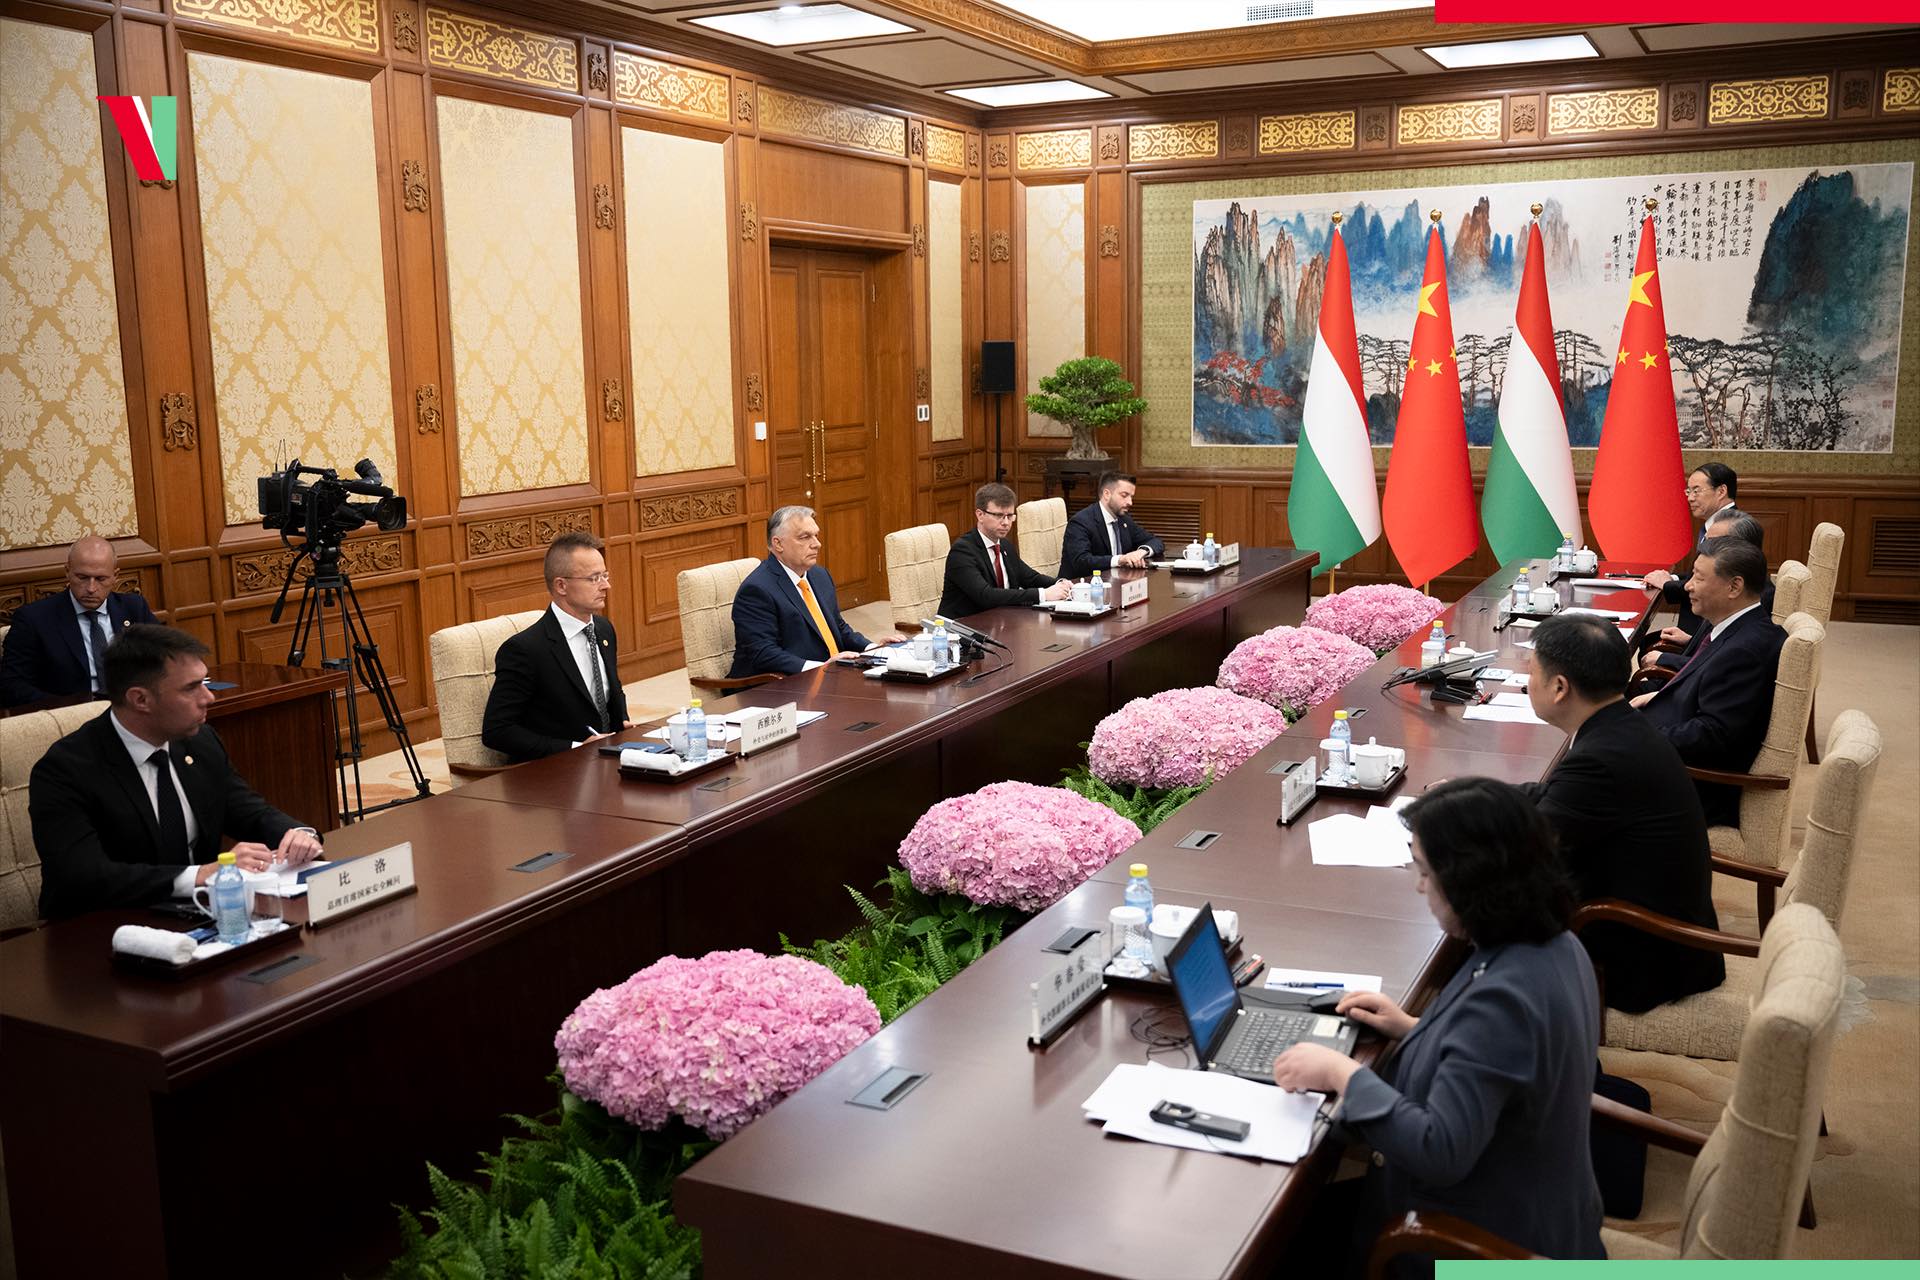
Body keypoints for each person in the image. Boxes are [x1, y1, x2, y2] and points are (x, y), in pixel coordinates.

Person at [1272, 778, 1604, 1264]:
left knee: (1280, 1243)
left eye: (1426, 872)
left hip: (1477, 1248)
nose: (1419, 885)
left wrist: (1342, 1074)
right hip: (1538, 1211)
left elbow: (1440, 1149)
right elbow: (1507, 1063)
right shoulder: (1553, 943)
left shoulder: (1502, 999)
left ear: (1471, 882)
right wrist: (1413, 1027)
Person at [29, 625, 323, 920]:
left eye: (205, 682)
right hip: (99, 929)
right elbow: (84, 877)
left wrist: (298, 833)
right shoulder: (65, 771)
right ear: (140, 699)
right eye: (191, 688)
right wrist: (201, 875)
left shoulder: (200, 741)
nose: (209, 697)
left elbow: (247, 810)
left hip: (198, 917)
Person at [1526, 614, 1724, 1013]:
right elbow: (1555, 797)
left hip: (1640, 958)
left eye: (1531, 673)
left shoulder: (1600, 757)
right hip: (1660, 928)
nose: (1526, 682)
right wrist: (1472, 795)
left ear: (1560, 687)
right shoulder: (1620, 727)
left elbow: (1530, 851)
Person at [1632, 537, 1787, 827]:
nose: (1688, 586)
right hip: (1671, 756)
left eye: (1698, 579)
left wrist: (1635, 735)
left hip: (1690, 788)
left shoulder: (1745, 651)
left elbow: (1714, 736)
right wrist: (1655, 700)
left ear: (1734, 587)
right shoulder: (1738, 628)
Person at [481, 531, 633, 763]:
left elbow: (612, 690)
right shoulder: (525, 650)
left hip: (606, 761)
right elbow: (497, 731)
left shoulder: (603, 630)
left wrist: (621, 722)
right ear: (561, 585)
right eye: (594, 578)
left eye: (605, 575)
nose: (606, 586)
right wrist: (575, 748)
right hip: (554, 774)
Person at [730, 506, 903, 677]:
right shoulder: (757, 590)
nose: (817, 544)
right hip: (777, 686)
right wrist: (821, 667)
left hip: (831, 675)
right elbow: (763, 653)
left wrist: (874, 649)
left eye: (816, 536)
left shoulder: (819, 575)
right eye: (805, 537)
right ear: (778, 543)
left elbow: (838, 627)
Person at [1, 535, 160, 707]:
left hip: (133, 709)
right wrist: (64, 709)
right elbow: (11, 686)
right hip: (72, 715)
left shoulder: (134, 608)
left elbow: (165, 659)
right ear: (67, 572)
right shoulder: (34, 619)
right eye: (82, 578)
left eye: (100, 579)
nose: (91, 588)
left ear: (115, 576)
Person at [1638, 508, 1769, 675]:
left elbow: (1720, 667)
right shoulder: (1730, 602)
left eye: (1713, 543)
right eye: (1705, 541)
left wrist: (1664, 660)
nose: (1688, 586)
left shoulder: (1755, 603)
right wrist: (1693, 640)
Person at [937, 483, 1072, 618]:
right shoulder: (963, 551)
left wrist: (1061, 583)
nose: (1006, 523)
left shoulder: (1005, 546)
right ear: (980, 515)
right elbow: (986, 595)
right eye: (999, 515)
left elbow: (1030, 578)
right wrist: (1043, 594)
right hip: (963, 628)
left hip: (1001, 622)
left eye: (1010, 516)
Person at [1641, 461, 1737, 593]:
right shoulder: (1720, 522)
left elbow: (1711, 586)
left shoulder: (1731, 528)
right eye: (1689, 491)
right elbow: (1699, 576)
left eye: (1696, 491)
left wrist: (1666, 584)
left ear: (1721, 491)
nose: (1690, 498)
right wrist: (1672, 578)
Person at [1058, 471, 1165, 579]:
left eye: (1131, 497)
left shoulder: (1124, 520)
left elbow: (1156, 541)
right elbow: (1081, 562)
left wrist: (1142, 551)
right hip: (1080, 588)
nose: (1130, 502)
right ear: (1107, 494)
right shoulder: (1081, 522)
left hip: (1116, 584)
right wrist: (1120, 559)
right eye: (1124, 495)